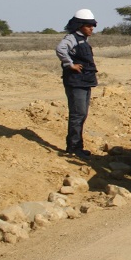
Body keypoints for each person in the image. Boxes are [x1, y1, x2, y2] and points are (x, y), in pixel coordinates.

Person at [55, 9, 99, 158]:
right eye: (88, 26)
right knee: (77, 114)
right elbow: (60, 49)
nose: (91, 28)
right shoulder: (72, 38)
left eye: (92, 26)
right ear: (80, 26)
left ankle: (78, 146)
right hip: (76, 83)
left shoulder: (82, 39)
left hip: (84, 82)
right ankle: (73, 148)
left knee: (82, 114)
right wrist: (70, 64)